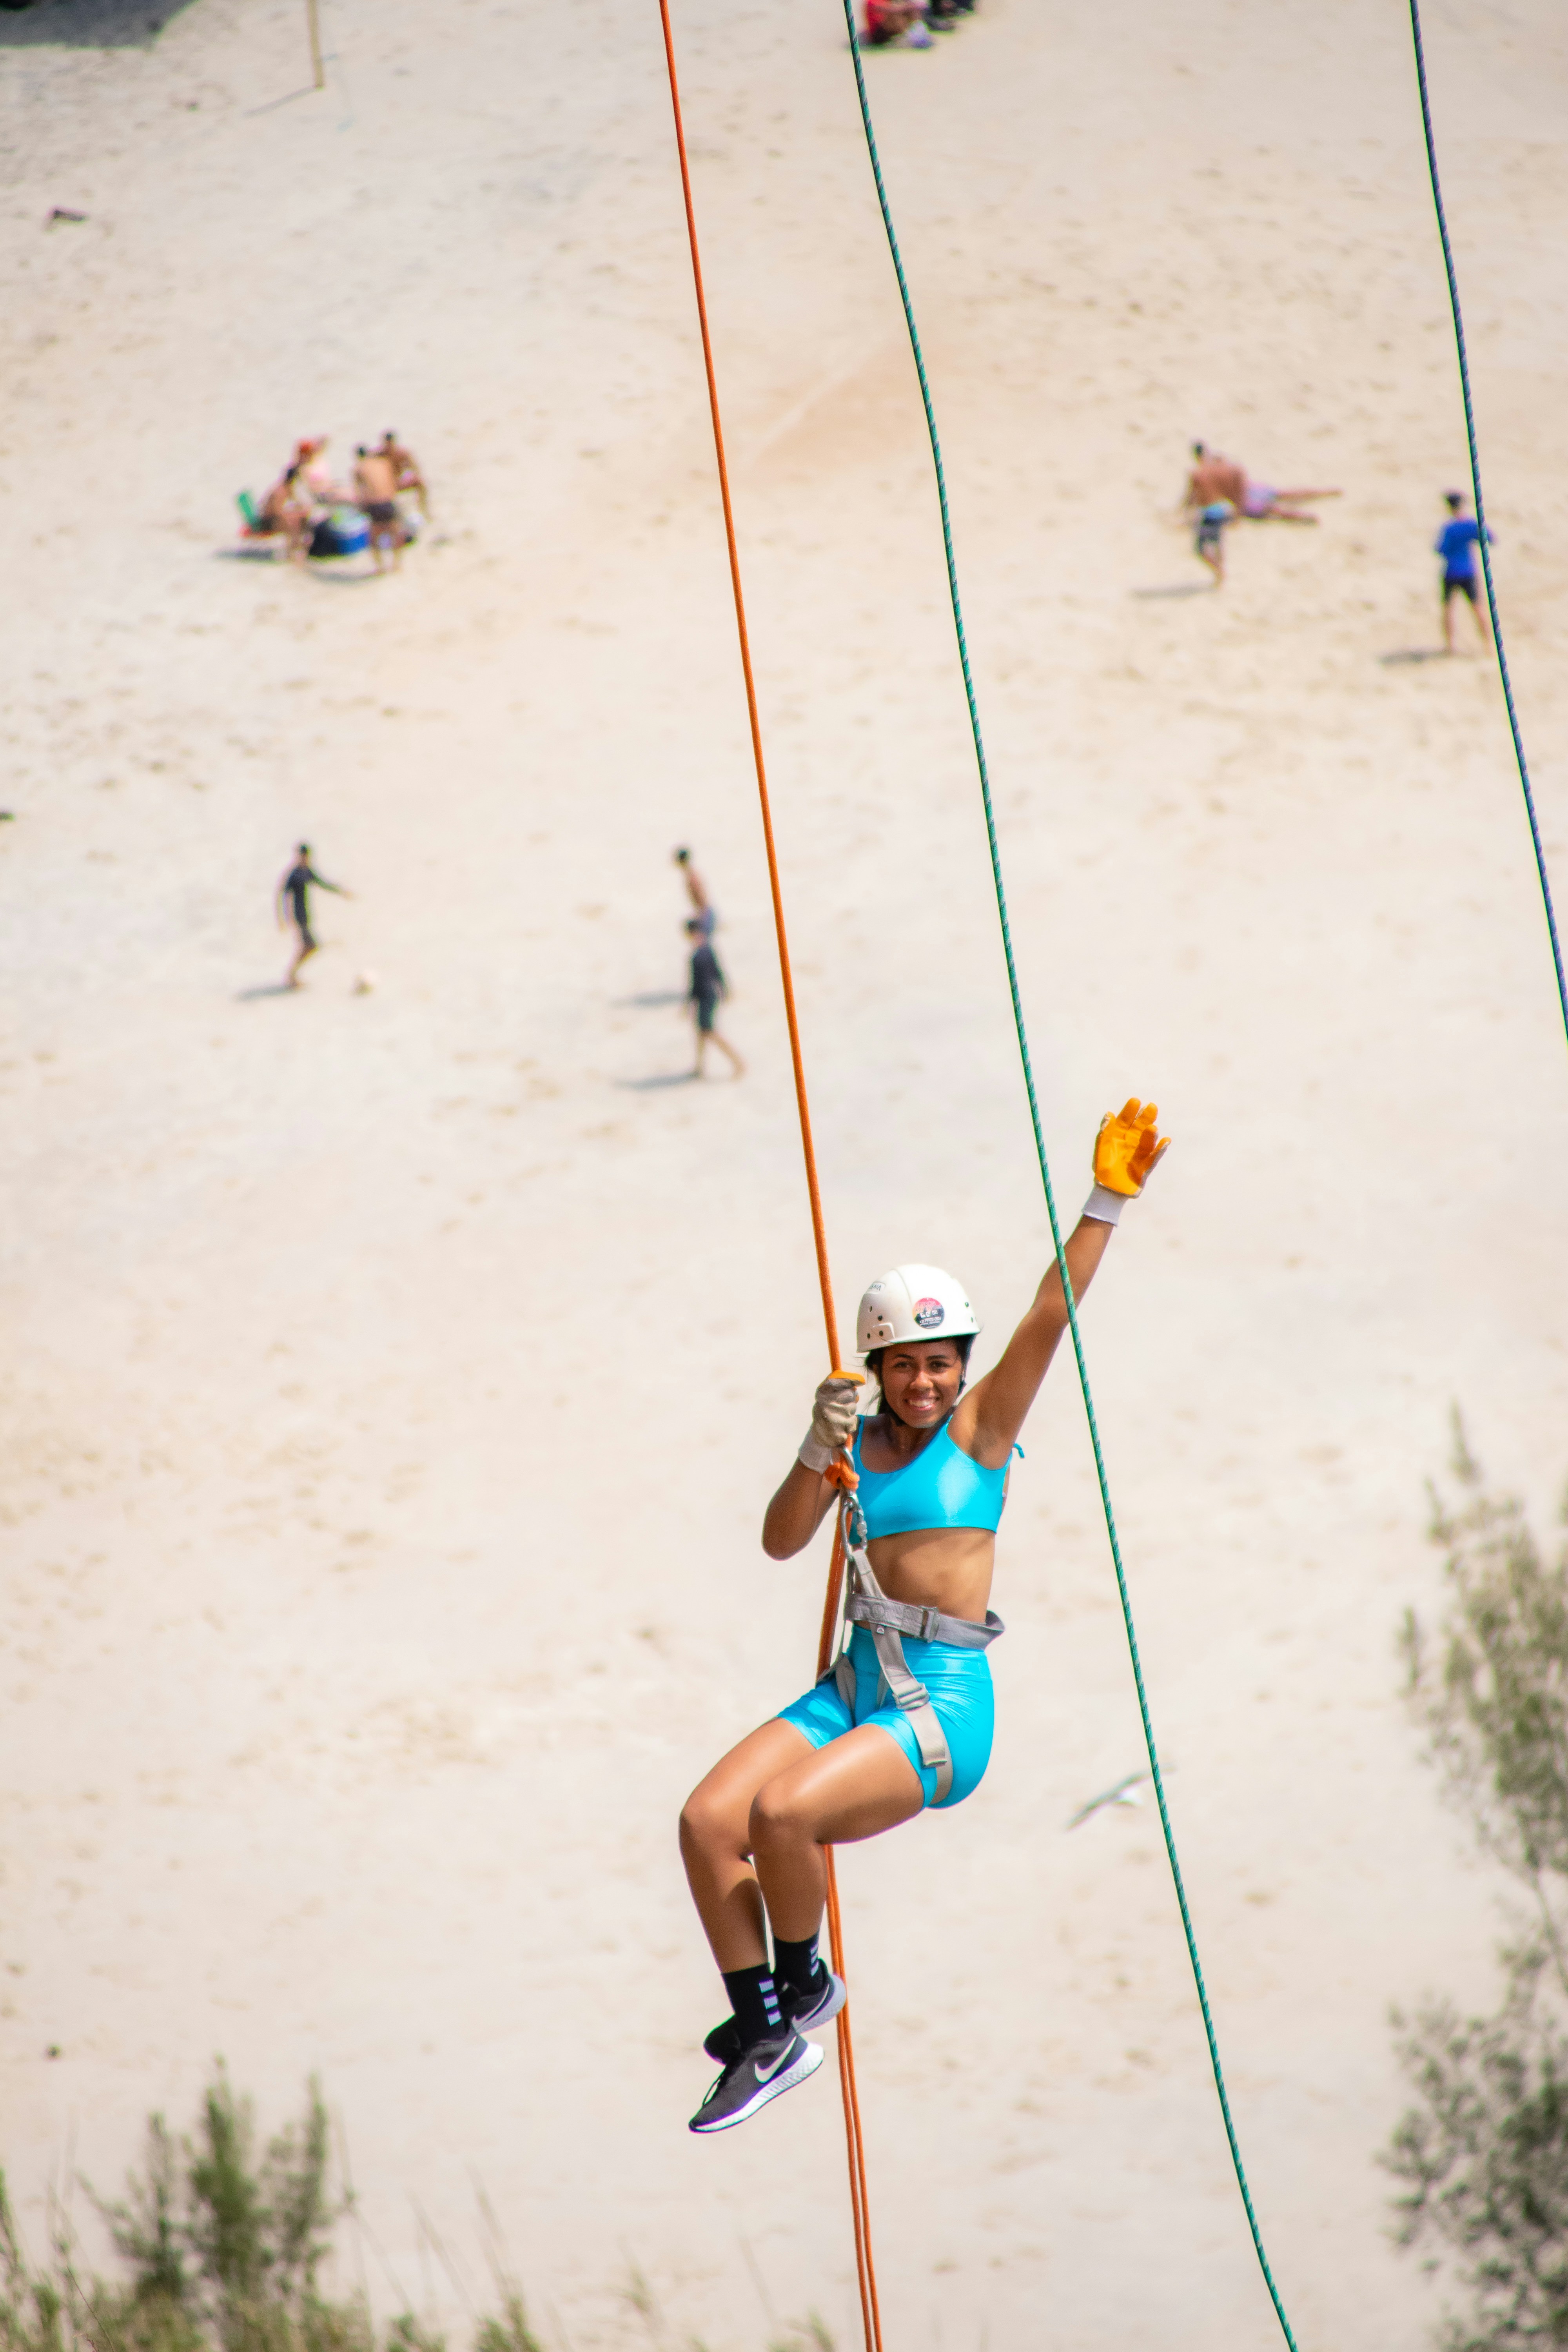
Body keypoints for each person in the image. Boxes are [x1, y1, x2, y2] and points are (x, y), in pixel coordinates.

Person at [677, 1099, 1170, 2132]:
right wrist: (817, 1447)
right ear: (877, 1368)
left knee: (781, 1817)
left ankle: (804, 1989)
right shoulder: (852, 1442)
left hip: (939, 1711)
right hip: (854, 1689)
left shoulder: (984, 1428)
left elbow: (1051, 1311)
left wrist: (1106, 1199)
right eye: (905, 1363)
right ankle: (766, 2029)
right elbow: (780, 1540)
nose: (926, 1380)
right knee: (710, 1821)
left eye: (941, 1360)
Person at [276, 843, 352, 987]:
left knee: (310, 946)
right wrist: (282, 919)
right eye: (303, 857)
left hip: (307, 916)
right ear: (299, 857)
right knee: (311, 946)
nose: (305, 859)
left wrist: (341, 891)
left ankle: (293, 975)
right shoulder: (295, 874)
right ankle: (292, 975)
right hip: (299, 917)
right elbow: (283, 896)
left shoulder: (308, 872)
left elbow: (323, 883)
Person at [1436, 490, 1491, 654]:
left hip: (1451, 572)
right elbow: (1490, 538)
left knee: (1448, 609)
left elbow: (1441, 549)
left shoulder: (1449, 528)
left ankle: (1450, 646)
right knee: (1478, 608)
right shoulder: (1471, 525)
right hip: (1468, 572)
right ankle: (1487, 645)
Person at [688, 920, 742, 1078]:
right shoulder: (703, 951)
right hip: (705, 996)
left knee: (710, 1032)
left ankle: (738, 1062)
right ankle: (699, 1067)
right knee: (701, 1032)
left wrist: (725, 990)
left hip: (708, 996)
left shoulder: (703, 952)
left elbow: (716, 972)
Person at [354, 445, 404, 573]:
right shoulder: (384, 463)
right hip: (388, 501)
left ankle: (380, 568)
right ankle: (397, 564)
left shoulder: (359, 468)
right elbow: (394, 484)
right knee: (395, 532)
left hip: (374, 504)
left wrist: (361, 507)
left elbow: (360, 492)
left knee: (374, 537)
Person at [256, 464, 310, 561]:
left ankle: (296, 547)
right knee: (293, 523)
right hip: (268, 522)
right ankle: (293, 550)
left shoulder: (287, 488)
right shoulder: (280, 492)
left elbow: (296, 502)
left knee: (299, 519)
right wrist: (294, 513)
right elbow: (278, 513)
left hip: (274, 519)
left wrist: (299, 509)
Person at [377, 430, 428, 519]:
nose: (389, 447)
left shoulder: (402, 453)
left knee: (420, 482)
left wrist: (409, 473)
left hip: (398, 482)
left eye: (391, 444)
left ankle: (423, 509)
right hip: (386, 486)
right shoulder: (380, 455)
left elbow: (415, 468)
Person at [1241, 482, 1341, 524]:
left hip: (1246, 502)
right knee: (1284, 495)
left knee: (1277, 511)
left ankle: (1305, 517)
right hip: (1250, 492)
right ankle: (1324, 492)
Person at [673, 846, 714, 940]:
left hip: (705, 913)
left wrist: (702, 915)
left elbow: (700, 895)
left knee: (703, 945)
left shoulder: (691, 876)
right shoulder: (691, 874)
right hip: (704, 912)